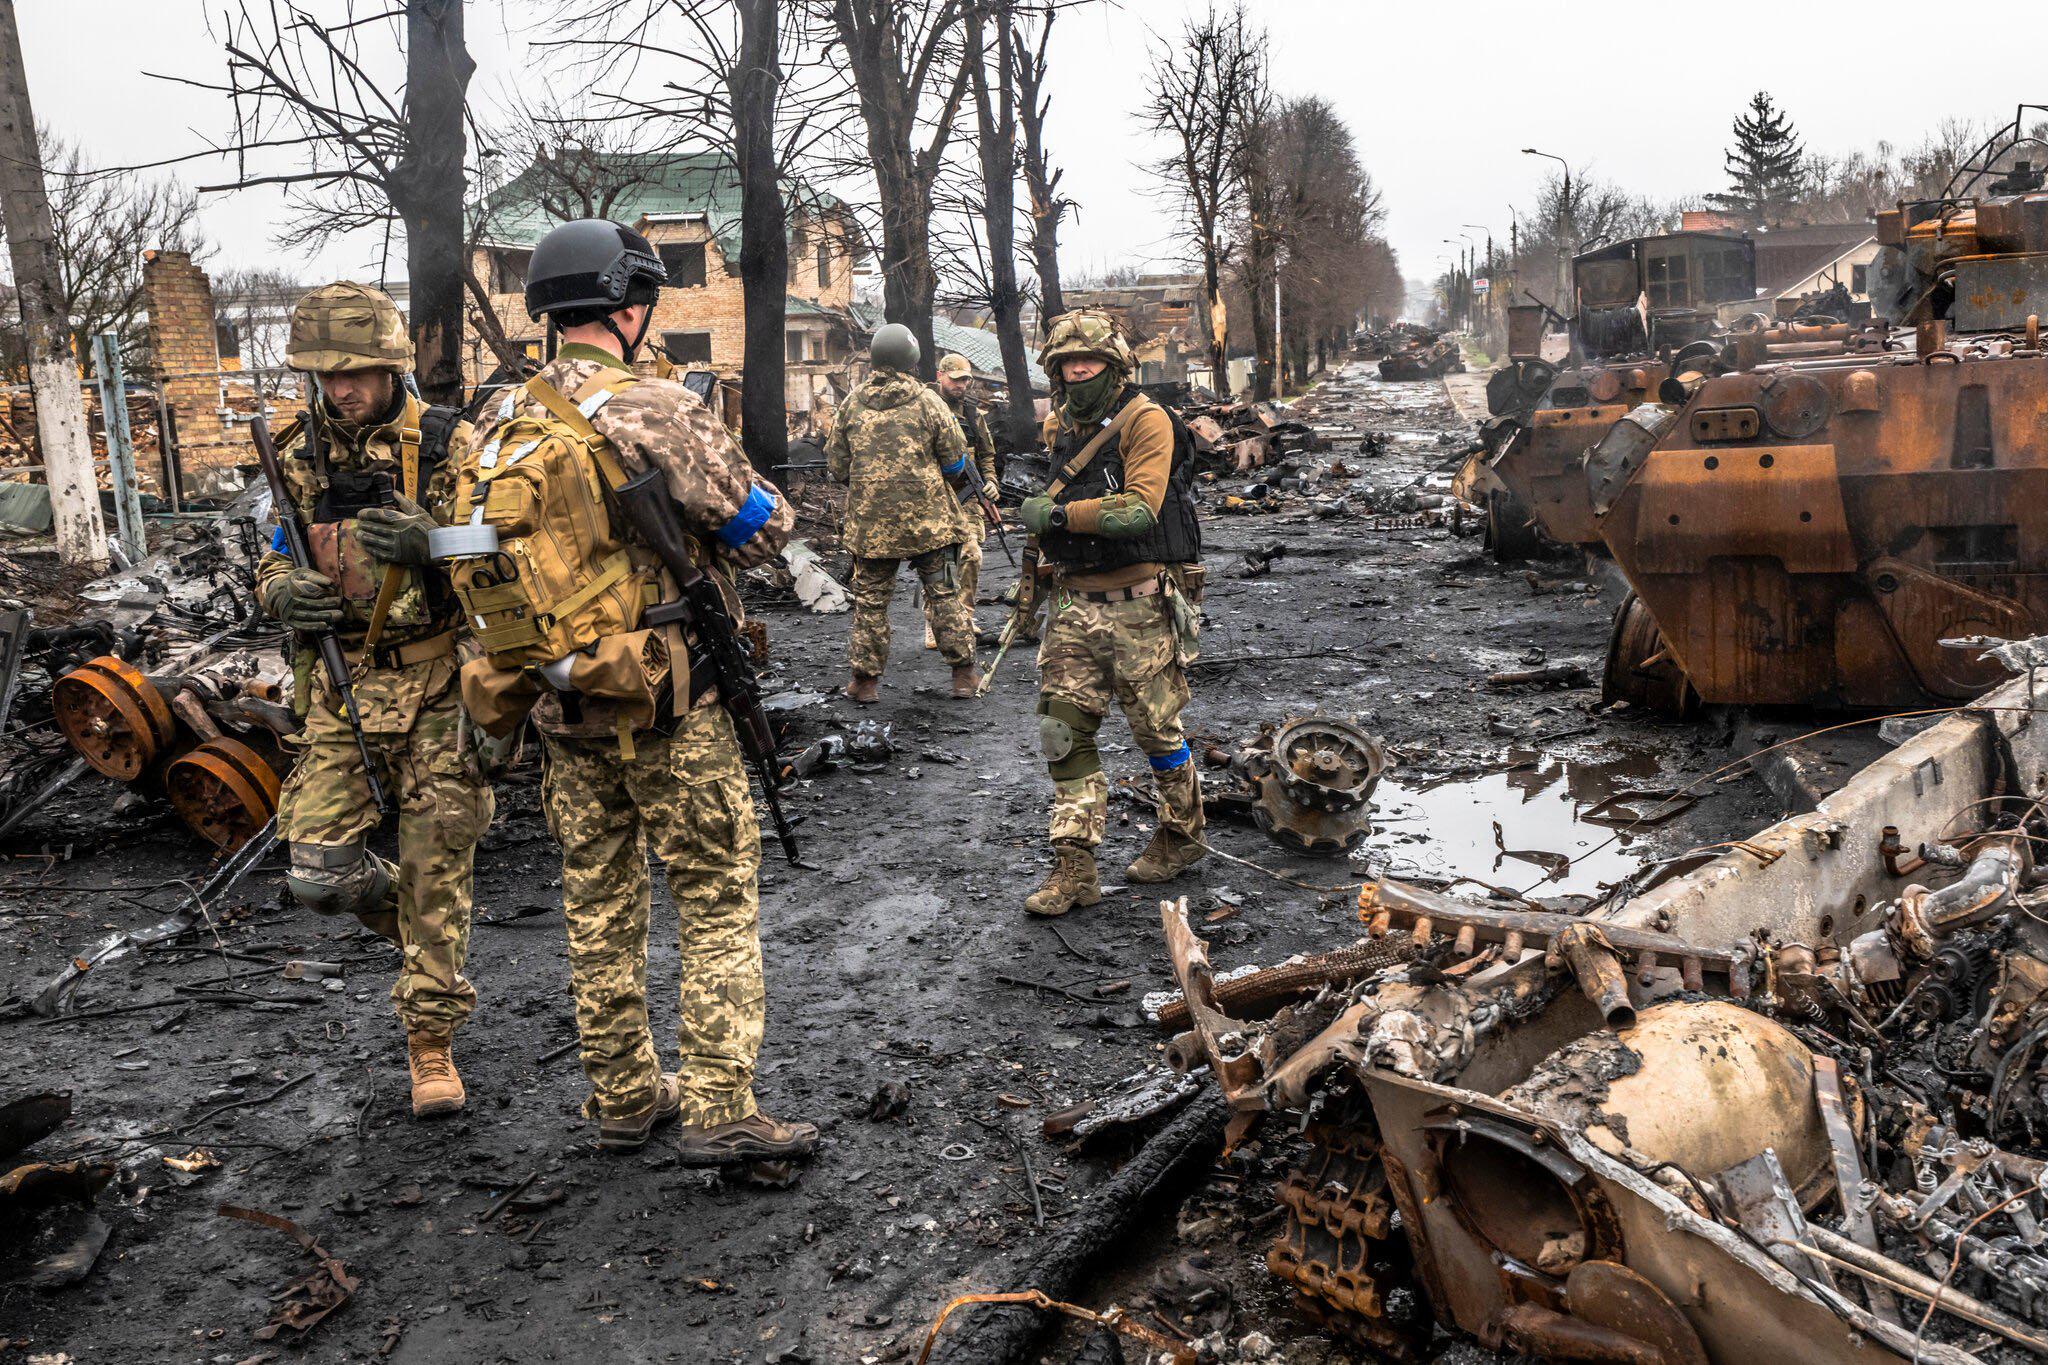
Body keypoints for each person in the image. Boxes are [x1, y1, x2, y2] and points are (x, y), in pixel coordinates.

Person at [468, 217, 816, 1161]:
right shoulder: (653, 406)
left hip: (559, 702)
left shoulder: (494, 421)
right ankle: (718, 1107)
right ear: (629, 306)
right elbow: (762, 524)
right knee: (712, 896)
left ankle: (622, 1094)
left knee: (598, 899)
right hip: (671, 702)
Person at [257, 281, 492, 1118]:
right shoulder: (294, 451)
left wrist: (436, 542)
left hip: (438, 682)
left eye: (355, 370)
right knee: (318, 873)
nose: (340, 387)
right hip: (343, 683)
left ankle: (430, 1037)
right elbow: (275, 552)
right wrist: (284, 589)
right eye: (325, 373)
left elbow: (507, 547)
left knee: (439, 863)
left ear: (392, 364)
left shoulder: (450, 441)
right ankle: (433, 930)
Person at [1015, 309, 1207, 917]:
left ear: (1115, 363)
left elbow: (1139, 511)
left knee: (1157, 734)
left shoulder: (1146, 420)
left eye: (1090, 360)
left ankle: (1182, 834)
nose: (1078, 370)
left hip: (1139, 606)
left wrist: (1060, 517)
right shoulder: (1060, 424)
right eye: (1068, 362)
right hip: (1073, 604)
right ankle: (1075, 868)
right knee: (1061, 734)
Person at [827, 324, 980, 702]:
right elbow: (955, 461)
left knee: (871, 604)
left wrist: (869, 488)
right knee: (945, 595)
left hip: (870, 528)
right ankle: (963, 676)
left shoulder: (851, 403)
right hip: (931, 527)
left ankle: (864, 684)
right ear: (912, 361)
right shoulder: (929, 403)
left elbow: (836, 465)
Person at [924, 352, 1001, 650]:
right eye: (955, 379)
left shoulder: (972, 413)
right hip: (933, 496)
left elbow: (987, 455)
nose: (961, 385)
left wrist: (991, 482)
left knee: (971, 555)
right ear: (940, 375)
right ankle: (935, 622)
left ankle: (964, 617)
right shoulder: (925, 407)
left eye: (965, 379)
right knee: (940, 560)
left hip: (967, 497)